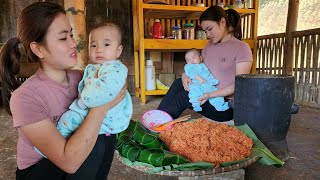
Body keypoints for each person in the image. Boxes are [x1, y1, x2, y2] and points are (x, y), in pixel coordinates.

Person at [0, 2, 126, 179]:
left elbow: (117, 84)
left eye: (72, 35)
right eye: (63, 38)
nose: (74, 43)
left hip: (76, 162)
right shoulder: (25, 98)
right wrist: (101, 106)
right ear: (38, 49)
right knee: (93, 137)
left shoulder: (82, 78)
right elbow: (69, 162)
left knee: (105, 134)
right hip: (39, 171)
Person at [35, 22, 133, 157]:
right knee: (71, 122)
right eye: (93, 45)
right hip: (97, 109)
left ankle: (48, 148)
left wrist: (84, 101)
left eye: (106, 44)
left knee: (68, 120)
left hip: (106, 114)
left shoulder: (114, 68)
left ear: (118, 50)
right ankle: (54, 146)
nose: (99, 49)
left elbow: (106, 90)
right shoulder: (98, 67)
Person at [158, 5, 253, 121]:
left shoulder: (242, 48)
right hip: (206, 92)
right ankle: (156, 117)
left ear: (222, 22)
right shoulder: (209, 46)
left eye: (210, 29)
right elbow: (196, 66)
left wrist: (209, 95)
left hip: (223, 104)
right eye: (205, 31)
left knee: (185, 96)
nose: (207, 35)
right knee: (179, 83)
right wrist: (184, 76)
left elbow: (240, 86)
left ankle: (158, 124)